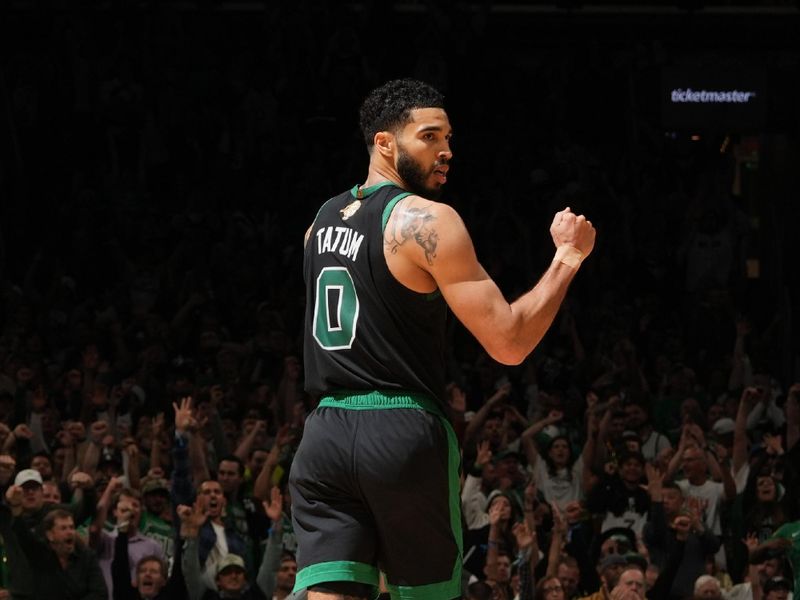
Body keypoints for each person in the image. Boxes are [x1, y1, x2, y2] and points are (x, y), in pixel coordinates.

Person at [290, 77, 596, 600]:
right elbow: (509, 342)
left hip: (323, 438)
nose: (446, 151)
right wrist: (568, 259)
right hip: (400, 429)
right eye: (429, 137)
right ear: (385, 143)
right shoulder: (426, 220)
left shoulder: (318, 222)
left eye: (449, 138)